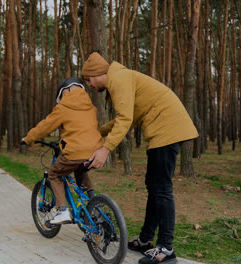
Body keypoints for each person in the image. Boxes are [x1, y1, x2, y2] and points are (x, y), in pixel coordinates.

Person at [82, 52, 198, 264]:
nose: (89, 85)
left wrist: (105, 149)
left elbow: (125, 119)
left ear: (97, 74)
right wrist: (100, 132)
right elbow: (127, 118)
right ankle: (145, 240)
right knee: (154, 186)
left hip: (167, 128)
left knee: (161, 188)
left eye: (88, 80)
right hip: (163, 128)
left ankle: (166, 249)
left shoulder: (118, 78)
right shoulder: (120, 78)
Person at [21, 77, 104, 225]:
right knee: (81, 171)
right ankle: (95, 204)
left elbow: (45, 126)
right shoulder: (91, 107)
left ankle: (63, 211)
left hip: (74, 152)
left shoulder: (64, 107)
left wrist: (28, 139)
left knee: (54, 174)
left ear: (64, 92)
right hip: (93, 152)